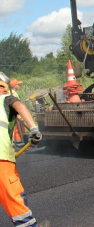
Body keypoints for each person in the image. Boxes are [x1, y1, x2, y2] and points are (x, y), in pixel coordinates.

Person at [0, 80, 48, 227]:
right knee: (13, 196)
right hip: (1, 158)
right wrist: (33, 128)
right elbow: (19, 105)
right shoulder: (5, 98)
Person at [9, 80, 24, 148]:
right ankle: (17, 143)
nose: (19, 86)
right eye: (18, 84)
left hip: (14, 114)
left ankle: (16, 142)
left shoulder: (12, 92)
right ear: (15, 86)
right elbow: (15, 105)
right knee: (15, 128)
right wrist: (17, 115)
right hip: (14, 114)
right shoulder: (13, 94)